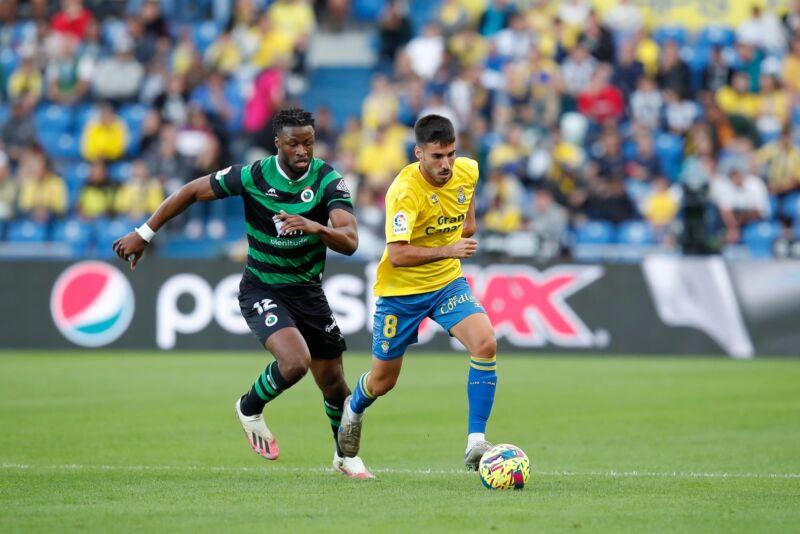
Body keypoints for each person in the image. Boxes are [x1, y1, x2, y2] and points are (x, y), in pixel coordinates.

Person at [112, 108, 373, 479]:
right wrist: (145, 232)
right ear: (277, 143)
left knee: (334, 385)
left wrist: (314, 227)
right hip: (262, 287)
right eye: (295, 143)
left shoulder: (328, 179)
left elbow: (349, 241)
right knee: (295, 362)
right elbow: (190, 191)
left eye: (309, 143)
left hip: (308, 292)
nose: (303, 151)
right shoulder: (252, 176)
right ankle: (249, 407)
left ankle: (344, 457)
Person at [337, 114, 498, 471]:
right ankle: (355, 406)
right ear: (419, 154)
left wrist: (459, 235)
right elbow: (397, 254)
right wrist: (449, 249)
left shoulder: (467, 171)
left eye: (451, 155)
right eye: (437, 157)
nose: (446, 164)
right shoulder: (404, 191)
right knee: (383, 381)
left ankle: (476, 443)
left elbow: (467, 223)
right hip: (401, 293)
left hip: (445, 284)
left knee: (485, 343)